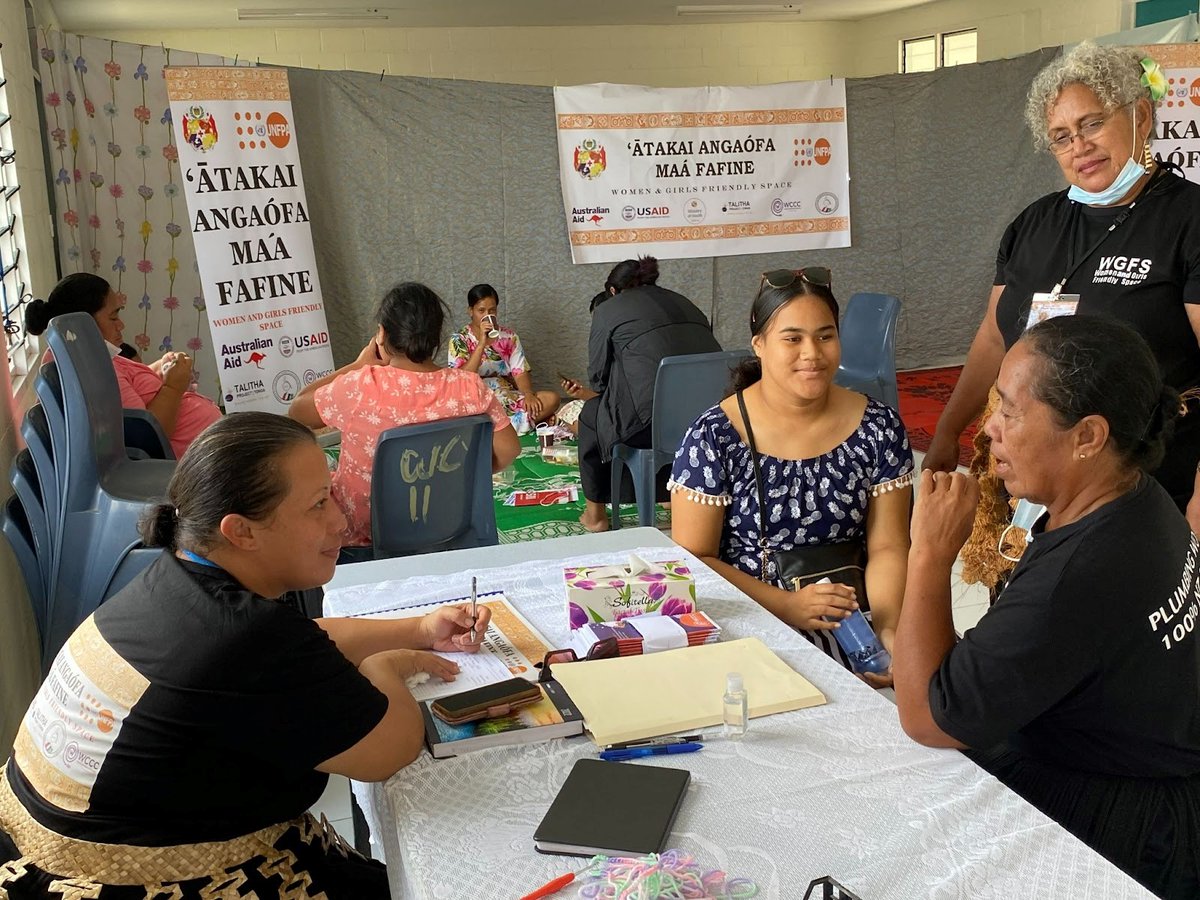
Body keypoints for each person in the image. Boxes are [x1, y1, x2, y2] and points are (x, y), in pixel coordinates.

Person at [0, 412, 492, 897]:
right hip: (137, 880)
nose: (341, 519)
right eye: (319, 504)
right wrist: (389, 663)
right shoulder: (243, 635)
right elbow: (390, 749)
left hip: (46, 849)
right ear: (241, 531)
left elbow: (304, 642)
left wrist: (419, 629)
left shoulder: (178, 582)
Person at [895, 316, 1200, 898]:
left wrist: (929, 552)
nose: (988, 432)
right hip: (1149, 776)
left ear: (1087, 436)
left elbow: (926, 719)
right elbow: (1042, 645)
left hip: (1115, 824)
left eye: (1010, 411)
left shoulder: (1084, 569)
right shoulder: (1140, 498)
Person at [922, 43, 1200, 530]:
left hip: (1149, 484)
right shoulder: (1034, 224)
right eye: (1060, 136)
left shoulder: (1188, 220)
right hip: (1037, 485)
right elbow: (993, 335)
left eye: (1092, 123)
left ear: (1141, 115)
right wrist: (947, 432)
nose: (1079, 147)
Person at [669, 268, 913, 680]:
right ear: (759, 344)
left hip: (857, 620)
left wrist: (889, 629)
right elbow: (694, 559)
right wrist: (786, 606)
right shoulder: (715, 436)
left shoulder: (879, 427)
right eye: (792, 338)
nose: (812, 354)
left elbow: (889, 545)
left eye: (825, 335)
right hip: (755, 620)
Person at [289, 282, 520, 549]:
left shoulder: (361, 385)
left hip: (366, 536)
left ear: (382, 334)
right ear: (436, 337)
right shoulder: (468, 387)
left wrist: (357, 364)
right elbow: (509, 449)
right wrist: (457, 475)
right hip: (447, 527)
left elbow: (297, 411)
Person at [560, 256, 721, 532]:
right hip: (706, 421)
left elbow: (598, 379)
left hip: (650, 426)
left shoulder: (607, 310)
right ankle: (672, 498)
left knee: (591, 415)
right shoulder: (685, 302)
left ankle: (595, 516)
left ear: (612, 291)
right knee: (649, 410)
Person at [25, 272, 221, 458]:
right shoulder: (94, 370)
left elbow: (128, 388)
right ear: (81, 324)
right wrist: (173, 387)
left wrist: (161, 368)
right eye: (113, 317)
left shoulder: (79, 351)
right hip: (186, 466)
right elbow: (147, 438)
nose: (121, 325)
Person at [448, 283, 560, 434]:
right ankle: (520, 425)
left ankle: (497, 428)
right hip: (475, 399)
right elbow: (462, 378)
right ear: (471, 311)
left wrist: (528, 394)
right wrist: (481, 343)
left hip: (505, 397)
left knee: (551, 399)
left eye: (492, 310)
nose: (487, 315)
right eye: (481, 311)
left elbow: (520, 371)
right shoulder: (459, 339)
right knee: (461, 413)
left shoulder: (509, 337)